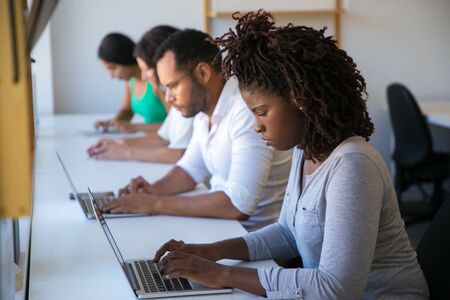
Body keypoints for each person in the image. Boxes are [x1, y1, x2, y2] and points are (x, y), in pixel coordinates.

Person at [150, 11, 430, 299]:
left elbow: (336, 288)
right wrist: (212, 251)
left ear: (300, 101)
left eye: (261, 112)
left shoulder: (353, 166)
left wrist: (221, 274)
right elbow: (287, 233)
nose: (257, 126)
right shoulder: (304, 150)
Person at [101, 29, 292, 232]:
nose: (168, 98)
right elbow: (190, 170)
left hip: (255, 239)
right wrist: (150, 191)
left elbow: (238, 205)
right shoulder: (203, 110)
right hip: (227, 228)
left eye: (173, 86)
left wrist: (155, 204)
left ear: (203, 73)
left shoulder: (244, 110)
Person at [87, 26, 194, 163]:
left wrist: (127, 151)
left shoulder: (187, 101)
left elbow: (180, 154)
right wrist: (118, 142)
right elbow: (163, 137)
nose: (143, 77)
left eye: (146, 70)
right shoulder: (175, 98)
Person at [95, 32, 167, 133]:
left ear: (124, 60)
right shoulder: (130, 81)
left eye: (113, 68)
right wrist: (114, 122)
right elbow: (127, 110)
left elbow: (174, 126)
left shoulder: (155, 82)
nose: (111, 76)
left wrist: (134, 127)